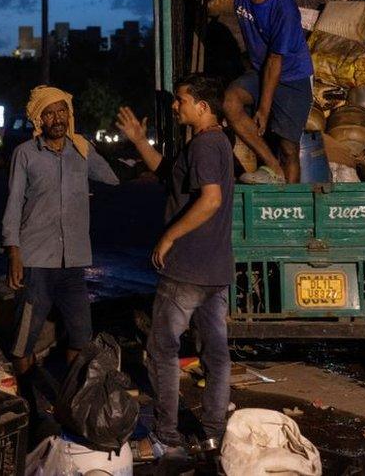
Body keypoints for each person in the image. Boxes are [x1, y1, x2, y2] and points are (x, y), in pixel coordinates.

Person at [116, 74, 235, 457]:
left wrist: (169, 236)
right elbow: (170, 175)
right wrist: (138, 140)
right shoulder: (214, 143)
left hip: (186, 268)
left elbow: (210, 200)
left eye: (180, 100)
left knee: (163, 349)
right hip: (214, 270)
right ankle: (214, 434)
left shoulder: (204, 145)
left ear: (201, 107)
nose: (174, 105)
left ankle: (167, 435)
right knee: (215, 353)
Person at [1, 86, 119, 408]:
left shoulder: (81, 150)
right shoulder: (25, 154)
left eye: (62, 111)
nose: (57, 118)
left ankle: (72, 400)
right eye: (49, 113)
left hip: (74, 262)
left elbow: (113, 177)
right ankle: (28, 400)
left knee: (81, 336)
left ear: (69, 114)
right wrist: (14, 251)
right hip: (36, 260)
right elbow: (13, 205)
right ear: (40, 119)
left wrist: (127, 150)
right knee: (24, 339)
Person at [189, 0, 313, 184]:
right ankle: (272, 169)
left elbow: (275, 61)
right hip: (260, 71)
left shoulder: (283, 8)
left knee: (289, 148)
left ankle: (291, 208)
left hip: (292, 78)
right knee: (229, 102)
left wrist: (264, 109)